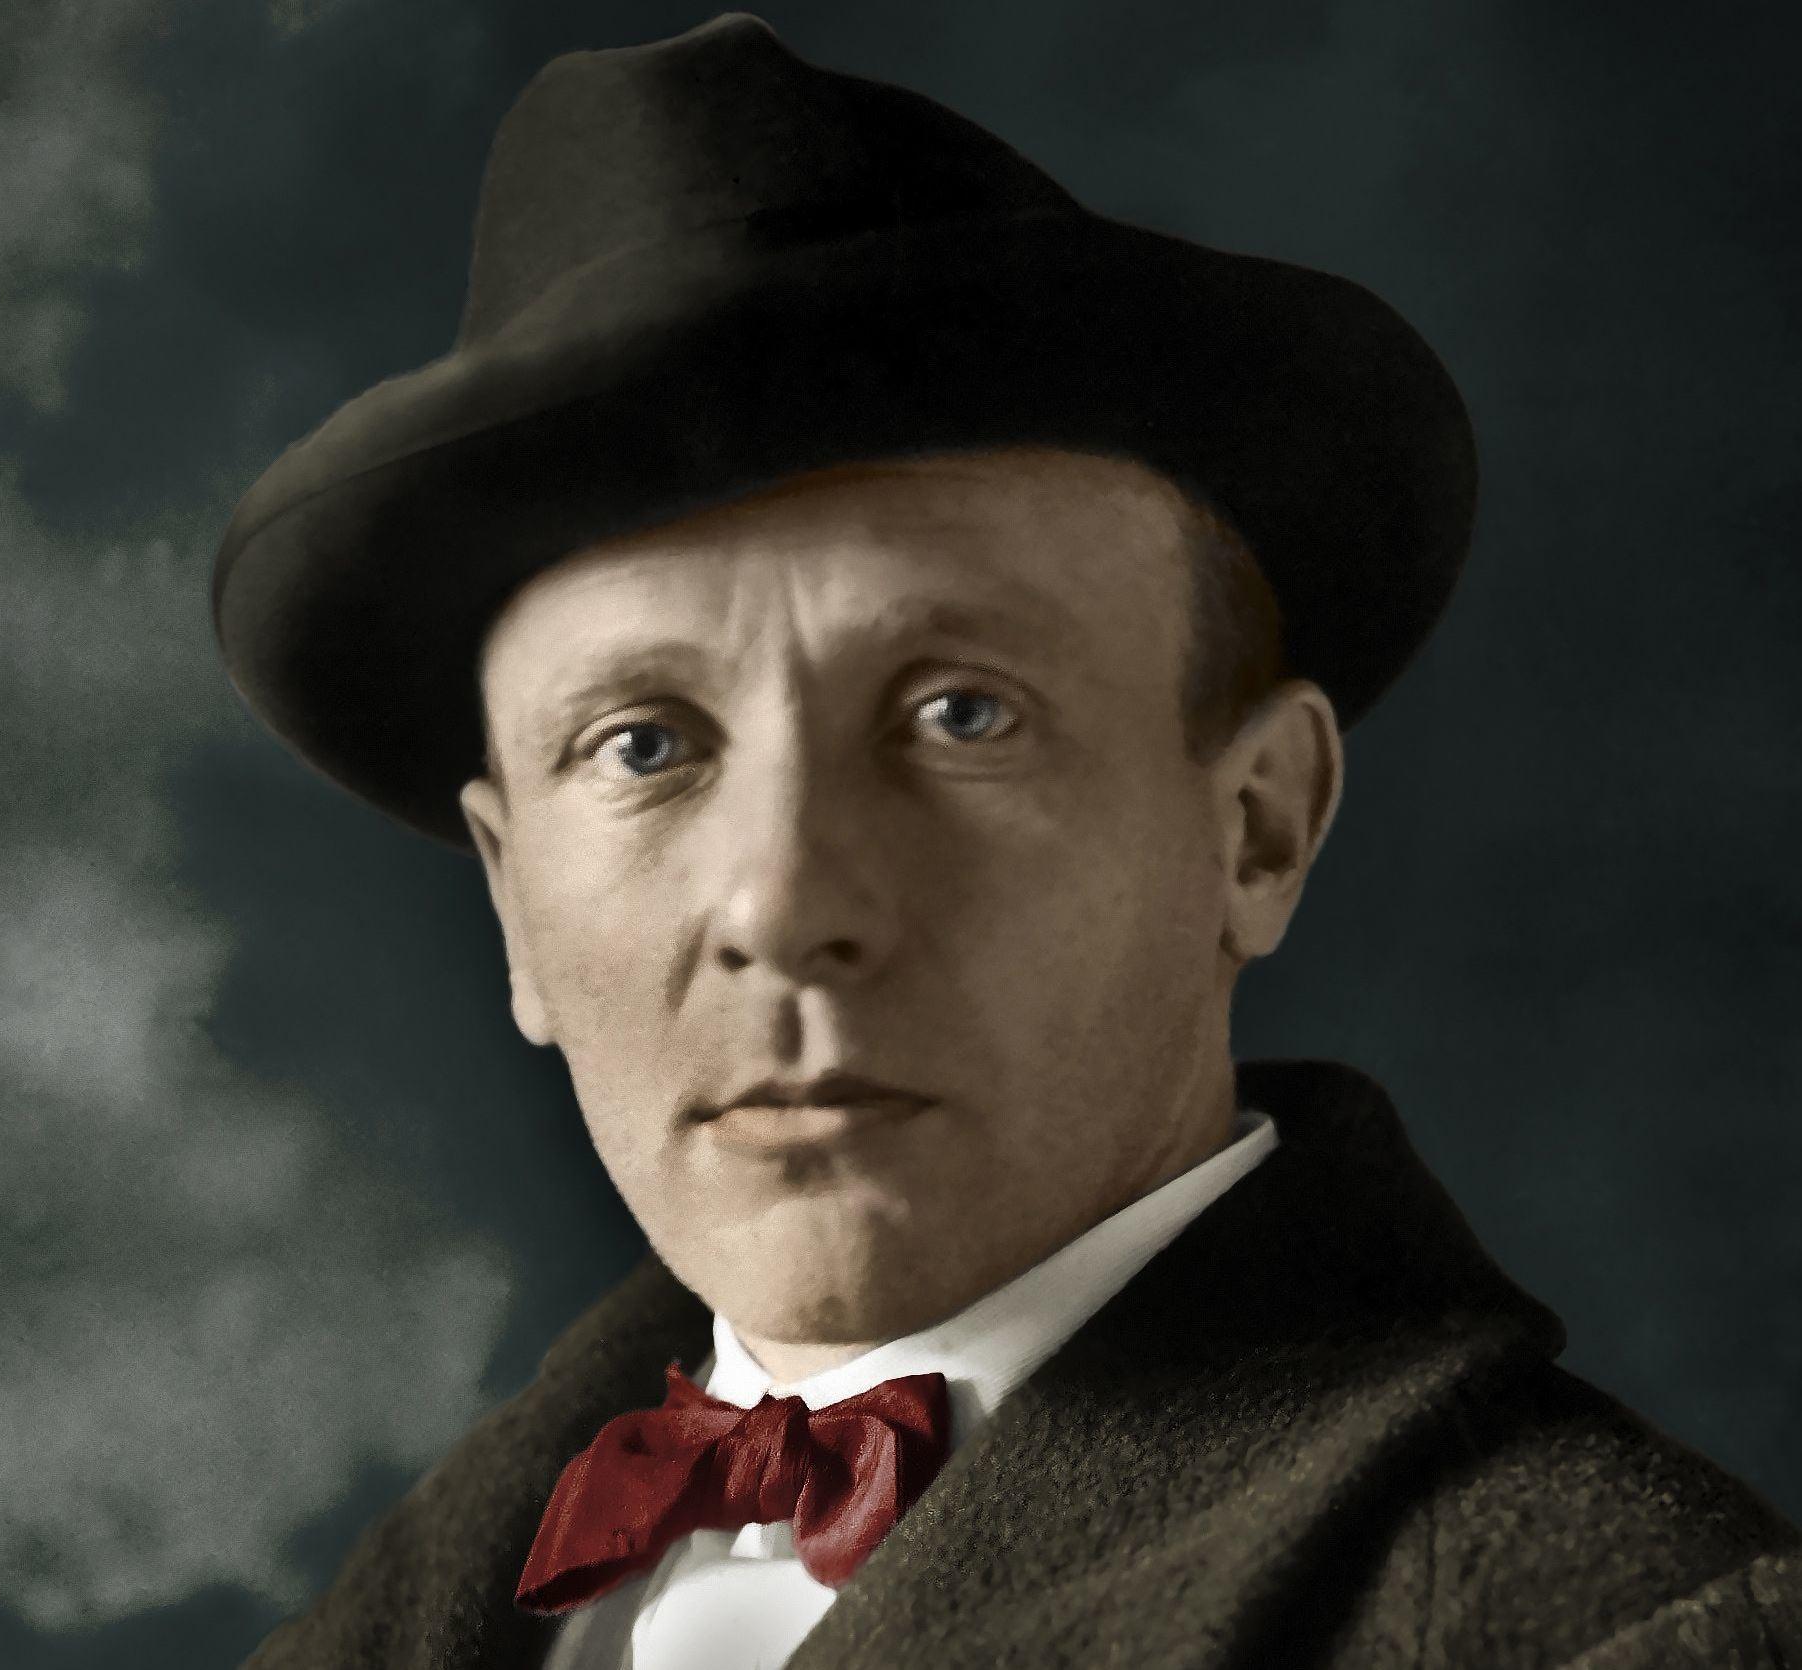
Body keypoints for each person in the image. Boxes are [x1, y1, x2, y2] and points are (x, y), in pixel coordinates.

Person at [211, 14, 1801, 1668]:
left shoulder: (1636, 1627)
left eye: (959, 713)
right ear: (513, 905)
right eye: (644, 745)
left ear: (1256, 827)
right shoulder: (406, 1614)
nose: (781, 901)